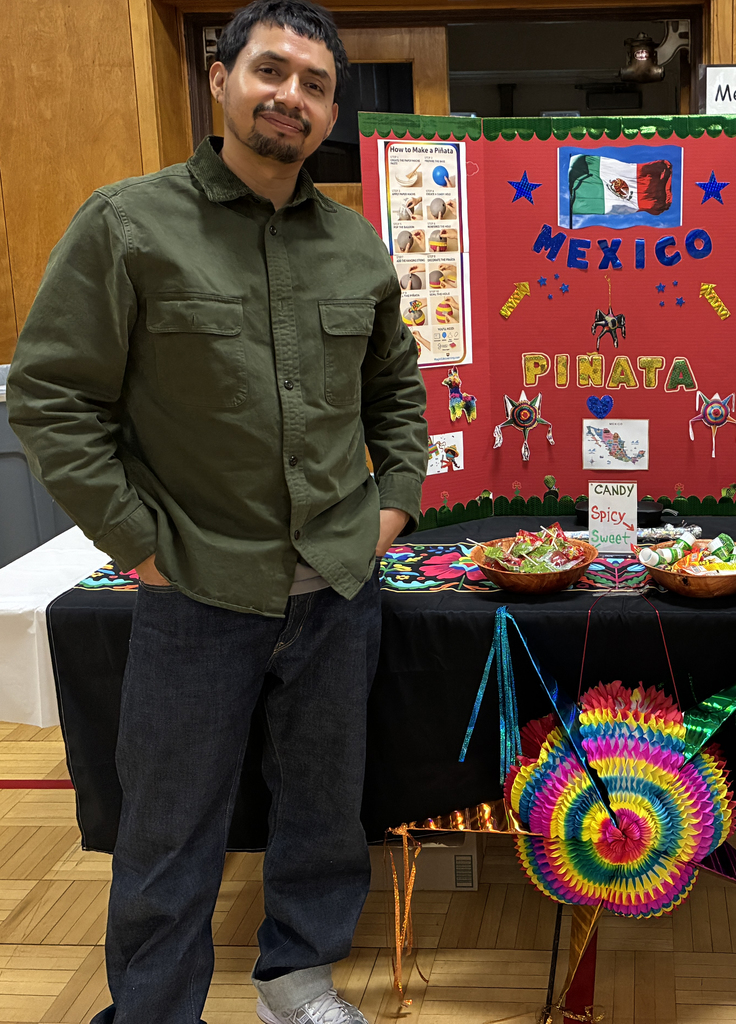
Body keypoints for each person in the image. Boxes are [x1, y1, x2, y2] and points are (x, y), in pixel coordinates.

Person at [6, 2, 427, 1023]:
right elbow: (52, 395)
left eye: (316, 84)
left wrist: (392, 510)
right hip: (196, 588)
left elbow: (398, 397)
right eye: (272, 71)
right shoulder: (128, 224)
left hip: (335, 584)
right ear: (220, 78)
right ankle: (153, 1010)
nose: (292, 96)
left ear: (332, 111)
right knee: (170, 830)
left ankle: (296, 977)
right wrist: (139, 543)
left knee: (325, 812)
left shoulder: (354, 247)